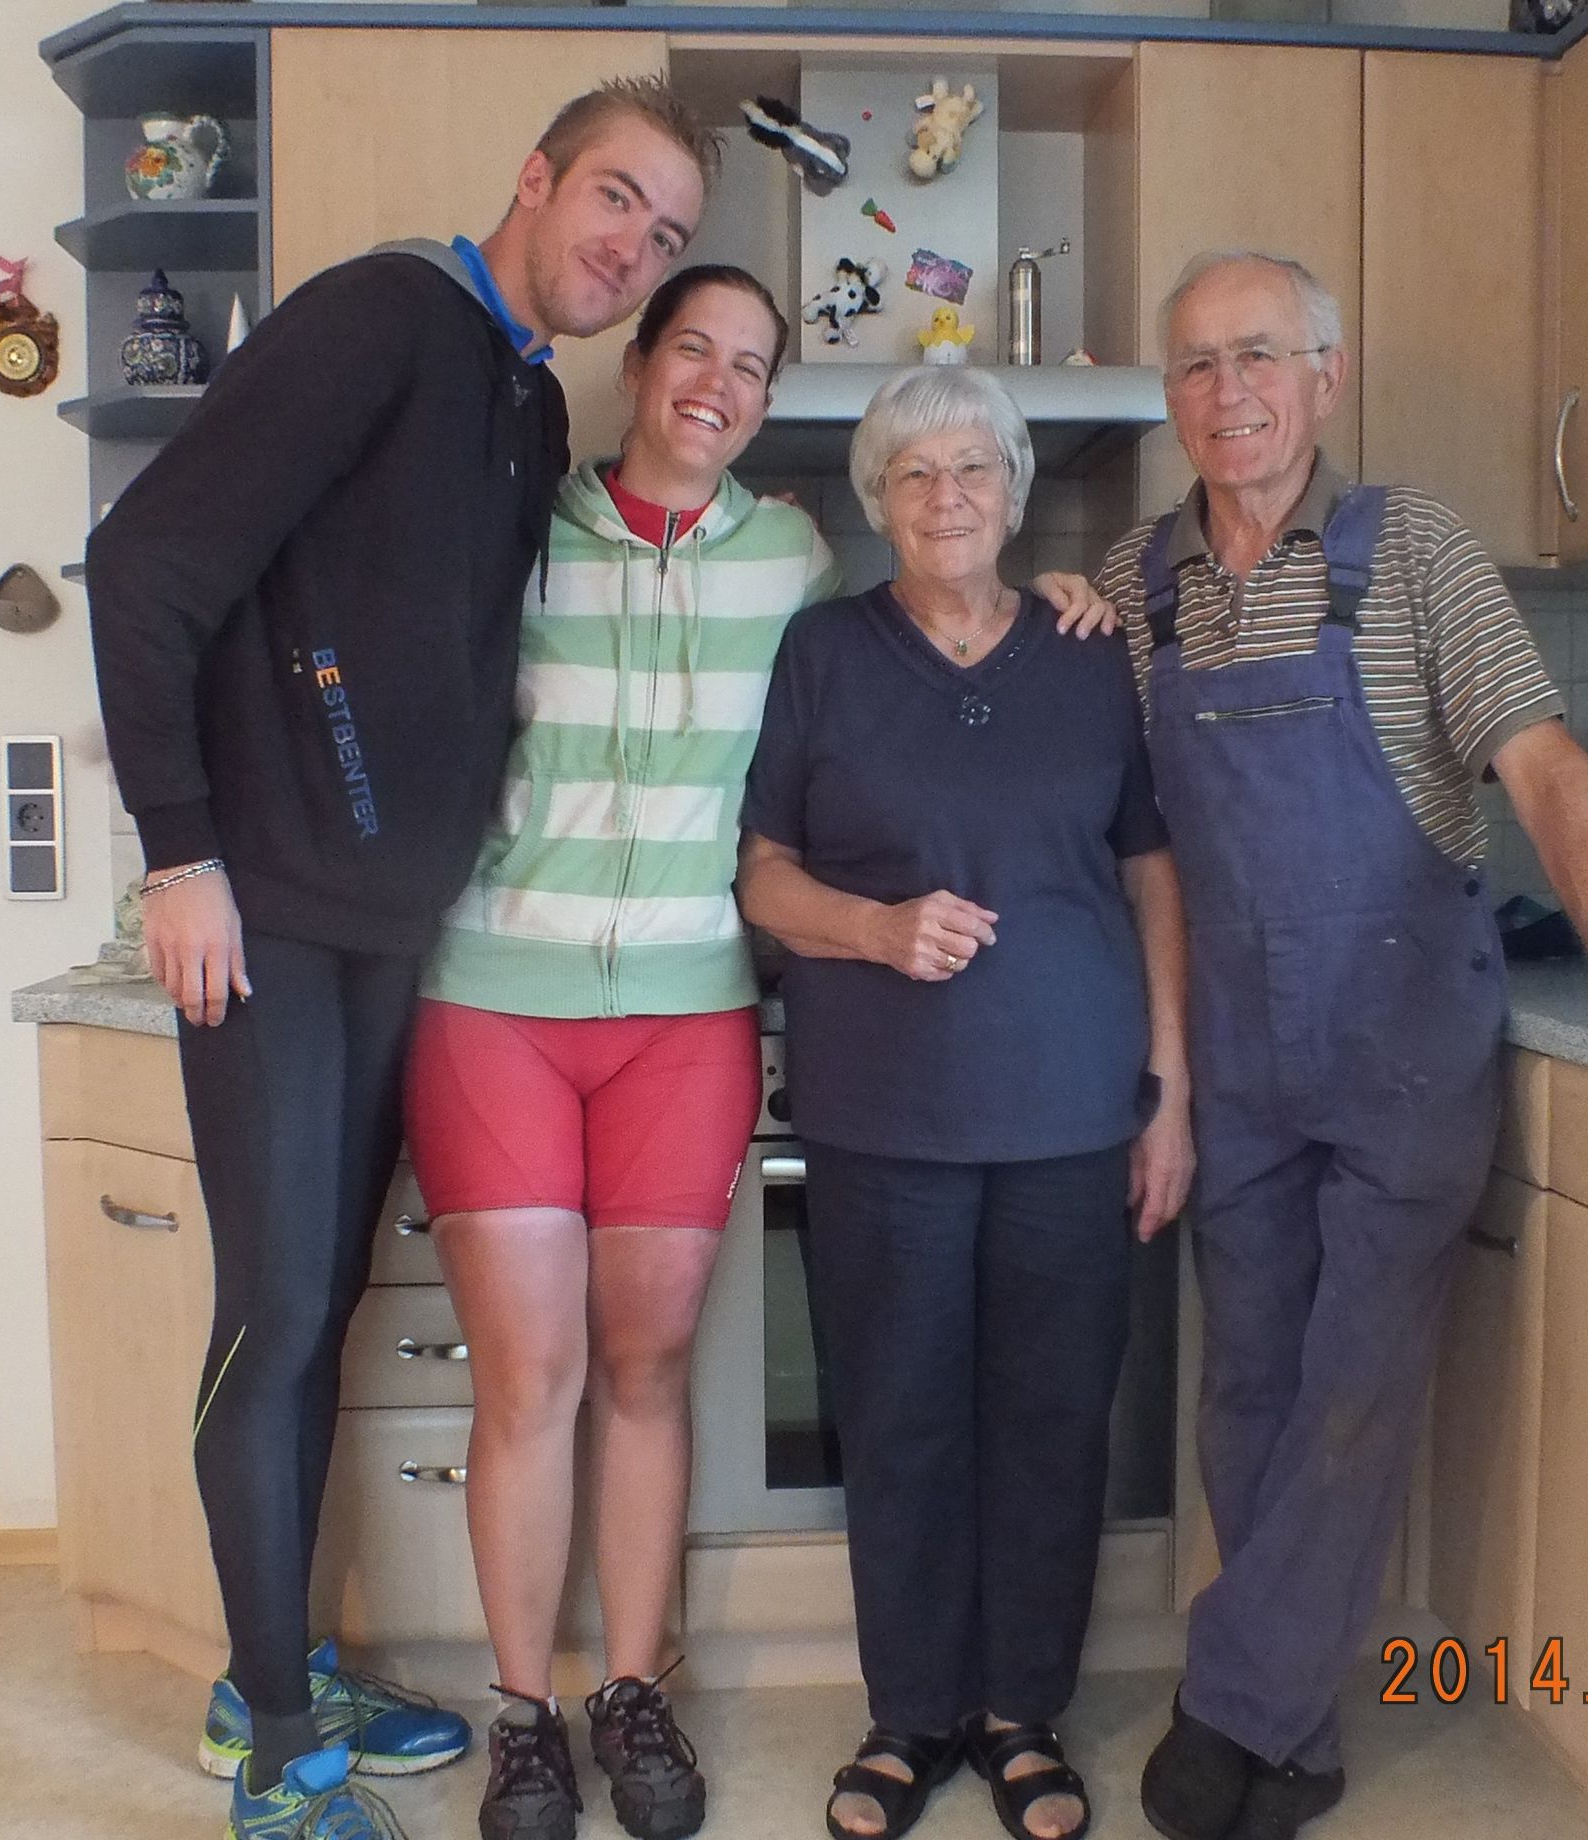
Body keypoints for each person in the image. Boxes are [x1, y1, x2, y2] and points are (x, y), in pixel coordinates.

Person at [86, 77, 721, 1840]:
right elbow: (143, 566)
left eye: (669, 233)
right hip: (269, 918)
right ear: (536, 177)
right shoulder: (384, 316)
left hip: (391, 937)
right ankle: (273, 1752)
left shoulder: (523, 397)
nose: (634, 246)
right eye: (616, 199)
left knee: (323, 1313)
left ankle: (276, 1668)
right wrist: (181, 853)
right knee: (277, 1313)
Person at [412, 272, 1125, 1840]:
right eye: (695, 350)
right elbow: (425, 710)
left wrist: (1077, 588)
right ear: (638, 363)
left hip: (709, 1011)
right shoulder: (536, 537)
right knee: (550, 1376)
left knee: (666, 1370)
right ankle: (535, 1716)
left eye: (751, 364)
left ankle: (659, 1692)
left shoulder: (807, 569)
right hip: (514, 994)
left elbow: (1100, 803)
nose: (718, 384)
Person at [1100, 252, 1588, 1840]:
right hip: (1236, 1056)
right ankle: (1291, 1727)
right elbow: (1145, 845)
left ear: (1325, 377)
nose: (1228, 392)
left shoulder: (1416, 551)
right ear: (1170, 395)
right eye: (1195, 365)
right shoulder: (1135, 584)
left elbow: (1544, 769)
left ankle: (1233, 1705)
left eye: (1260, 355)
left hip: (1403, 1048)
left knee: (1355, 1385)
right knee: (1247, 1386)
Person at [737, 367, 1195, 1840]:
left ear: (1015, 489)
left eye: (975, 468)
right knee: (901, 1419)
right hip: (885, 1116)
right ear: (880, 501)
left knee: (1053, 1420)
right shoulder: (825, 652)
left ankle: (1020, 1714)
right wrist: (875, 929)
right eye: (915, 473)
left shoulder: (1090, 652)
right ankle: (910, 1715)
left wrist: (1170, 1091)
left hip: (1072, 1108)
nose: (948, 497)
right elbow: (763, 879)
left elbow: (1150, 871)